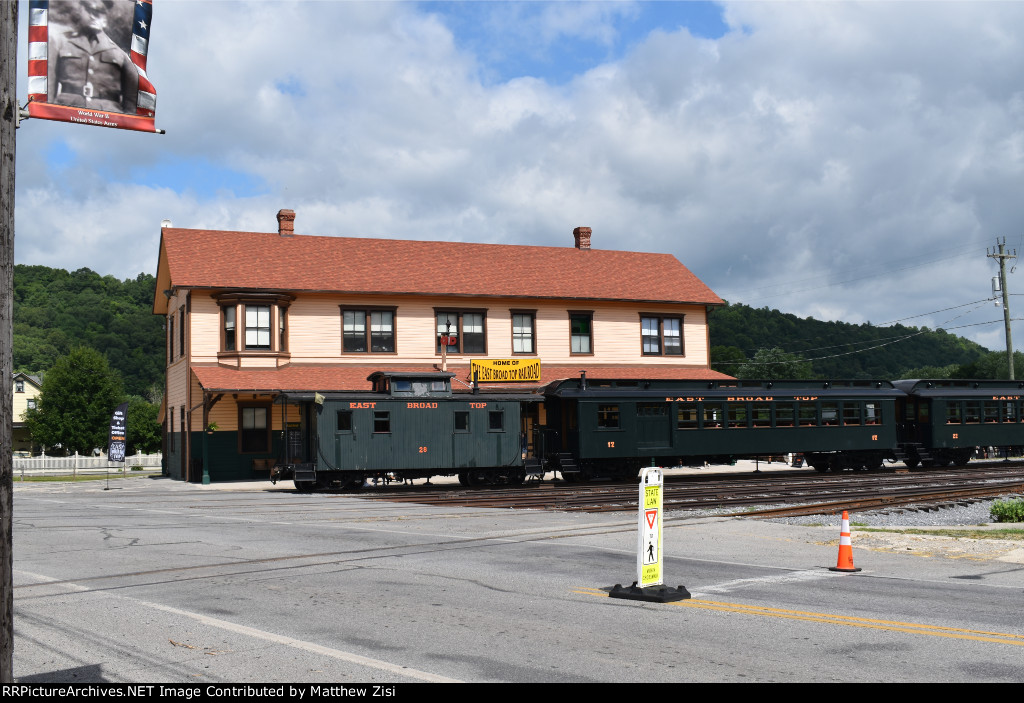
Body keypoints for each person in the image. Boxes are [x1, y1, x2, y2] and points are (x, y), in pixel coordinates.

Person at [47, 0, 139, 114]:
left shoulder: (120, 50)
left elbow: (132, 96)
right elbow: (48, 86)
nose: (93, 16)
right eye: (89, 10)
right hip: (66, 111)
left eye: (99, 12)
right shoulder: (61, 42)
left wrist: (128, 121)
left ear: (105, 18)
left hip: (108, 116)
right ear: (81, 11)